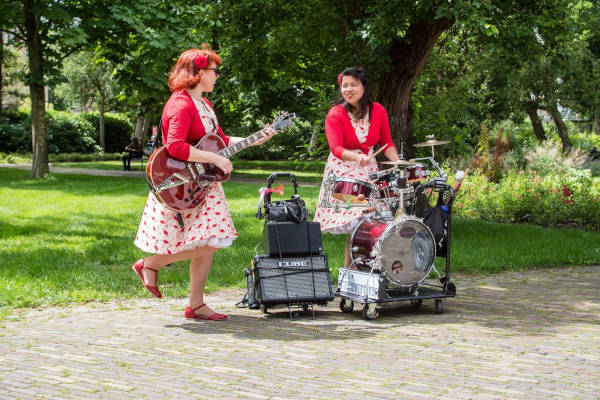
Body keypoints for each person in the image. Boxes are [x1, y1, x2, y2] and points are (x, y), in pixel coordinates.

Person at [131, 45, 276, 320]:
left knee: (208, 241)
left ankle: (195, 304)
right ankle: (150, 264)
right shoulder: (181, 104)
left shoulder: (204, 104)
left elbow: (219, 141)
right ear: (197, 72)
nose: (217, 76)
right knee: (215, 241)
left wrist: (255, 137)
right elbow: (174, 147)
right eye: (214, 71)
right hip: (181, 183)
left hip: (202, 183)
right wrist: (213, 157)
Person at [313, 67, 400, 268]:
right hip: (344, 171)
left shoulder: (377, 110)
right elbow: (335, 148)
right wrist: (356, 156)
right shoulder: (335, 113)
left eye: (354, 85)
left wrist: (398, 165)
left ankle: (358, 274)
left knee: (368, 224)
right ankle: (351, 275)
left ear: (364, 87)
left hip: (368, 171)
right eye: (344, 86)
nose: (348, 89)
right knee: (358, 223)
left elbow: (386, 142)